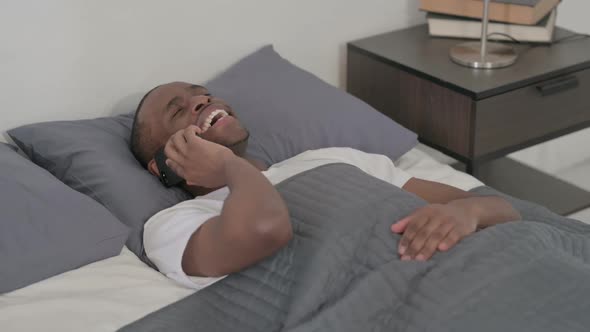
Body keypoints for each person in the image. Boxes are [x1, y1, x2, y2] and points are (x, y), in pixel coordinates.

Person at [130, 81, 521, 290]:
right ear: (161, 167)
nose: (201, 100)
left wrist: (466, 212)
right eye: (178, 110)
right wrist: (232, 170)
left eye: (203, 93)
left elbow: (504, 211)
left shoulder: (331, 159)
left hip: (492, 273)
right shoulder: (172, 225)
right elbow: (266, 229)